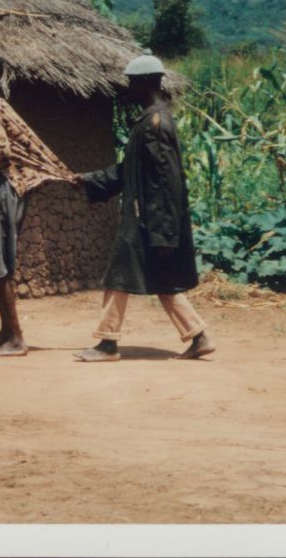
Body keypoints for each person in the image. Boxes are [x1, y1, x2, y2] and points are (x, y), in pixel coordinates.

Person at [71, 54, 215, 362]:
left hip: (147, 220)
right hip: (147, 218)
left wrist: (164, 233)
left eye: (132, 83)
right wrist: (89, 180)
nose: (128, 89)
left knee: (118, 275)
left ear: (146, 82)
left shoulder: (155, 123)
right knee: (164, 281)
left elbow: (167, 183)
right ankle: (198, 336)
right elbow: (130, 171)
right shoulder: (150, 120)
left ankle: (107, 344)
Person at [0, 52, 74, 356]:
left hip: (7, 186)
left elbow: (2, 154)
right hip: (0, 183)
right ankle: (7, 329)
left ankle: (15, 337)